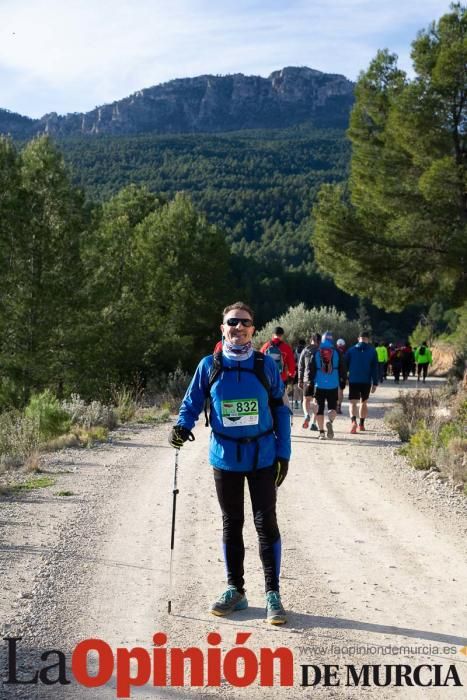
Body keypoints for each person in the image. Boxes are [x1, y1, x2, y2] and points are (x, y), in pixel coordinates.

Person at [169, 302, 291, 625]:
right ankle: (235, 590)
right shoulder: (210, 365)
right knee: (231, 522)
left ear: (253, 328)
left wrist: (284, 454)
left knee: (266, 523)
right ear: (222, 328)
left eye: (244, 323)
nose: (238, 328)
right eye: (231, 323)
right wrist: (182, 425)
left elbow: (280, 408)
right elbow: (192, 401)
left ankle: (273, 595)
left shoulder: (265, 366)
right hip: (225, 458)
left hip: (263, 456)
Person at [308, 331, 347, 440]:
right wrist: (343, 380)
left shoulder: (316, 351)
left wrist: (310, 382)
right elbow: (342, 368)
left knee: (319, 409)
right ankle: (329, 421)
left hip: (319, 384)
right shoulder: (337, 352)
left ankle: (321, 433)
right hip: (333, 385)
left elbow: (311, 368)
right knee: (332, 408)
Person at [345, 331, 378, 433]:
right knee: (363, 402)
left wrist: (344, 378)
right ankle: (362, 425)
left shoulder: (351, 350)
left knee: (352, 403)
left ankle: (353, 422)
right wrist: (375, 383)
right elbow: (375, 368)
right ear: (368, 339)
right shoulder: (372, 351)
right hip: (366, 381)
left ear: (358, 338)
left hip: (354, 380)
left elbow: (345, 365)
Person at [298, 333, 321, 431]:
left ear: (310, 340)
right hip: (319, 381)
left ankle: (306, 415)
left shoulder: (305, 350)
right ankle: (314, 423)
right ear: (319, 341)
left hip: (307, 379)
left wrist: (300, 380)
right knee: (317, 401)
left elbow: (300, 366)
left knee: (306, 400)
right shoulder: (321, 351)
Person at [292, 339, 306, 408]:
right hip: (303, 370)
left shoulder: (295, 350)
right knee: (302, 387)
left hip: (295, 370)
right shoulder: (305, 350)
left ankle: (296, 402)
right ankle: (302, 401)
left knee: (295, 387)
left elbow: (293, 360)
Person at [336, 338, 347, 413]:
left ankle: (335, 406)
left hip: (334, 374)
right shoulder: (345, 354)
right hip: (342, 374)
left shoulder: (334, 352)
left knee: (335, 391)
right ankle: (339, 406)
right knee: (341, 391)